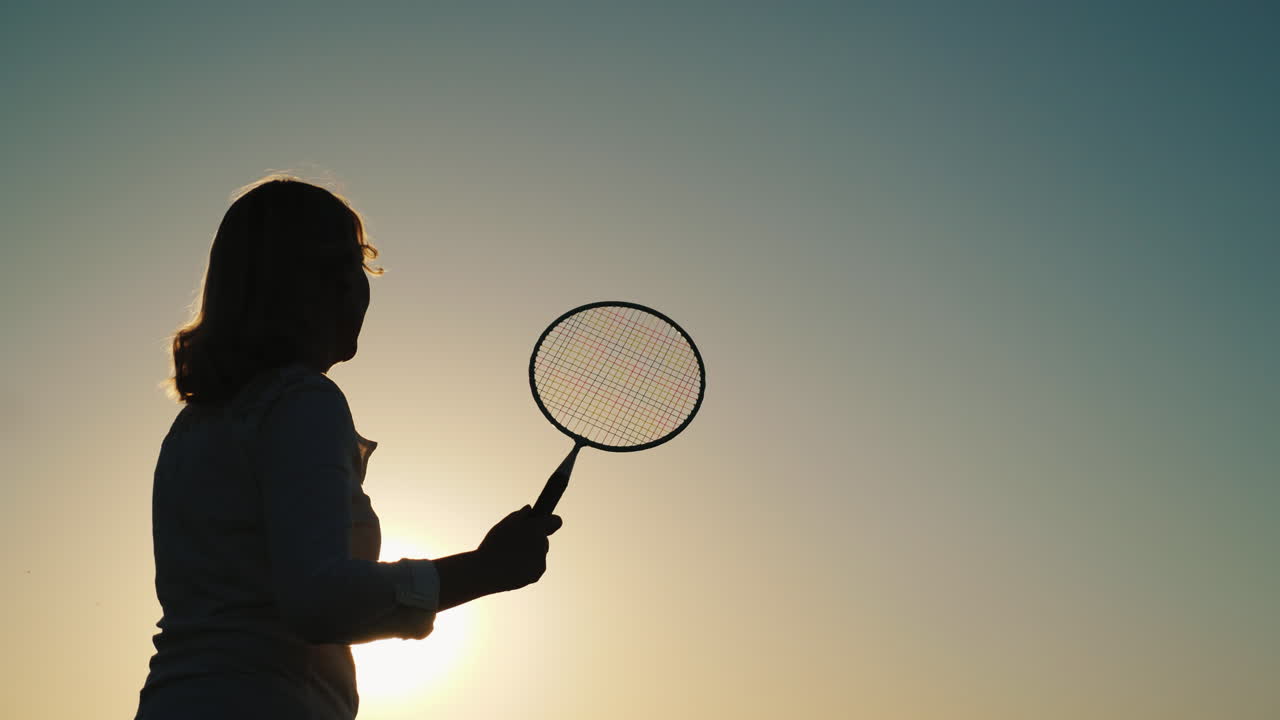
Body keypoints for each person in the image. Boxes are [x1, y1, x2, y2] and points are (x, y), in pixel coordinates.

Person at [134, 176, 562, 719]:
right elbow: (319, 599)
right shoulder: (301, 399)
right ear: (316, 285)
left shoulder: (196, 425)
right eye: (350, 266)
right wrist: (483, 570)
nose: (360, 289)